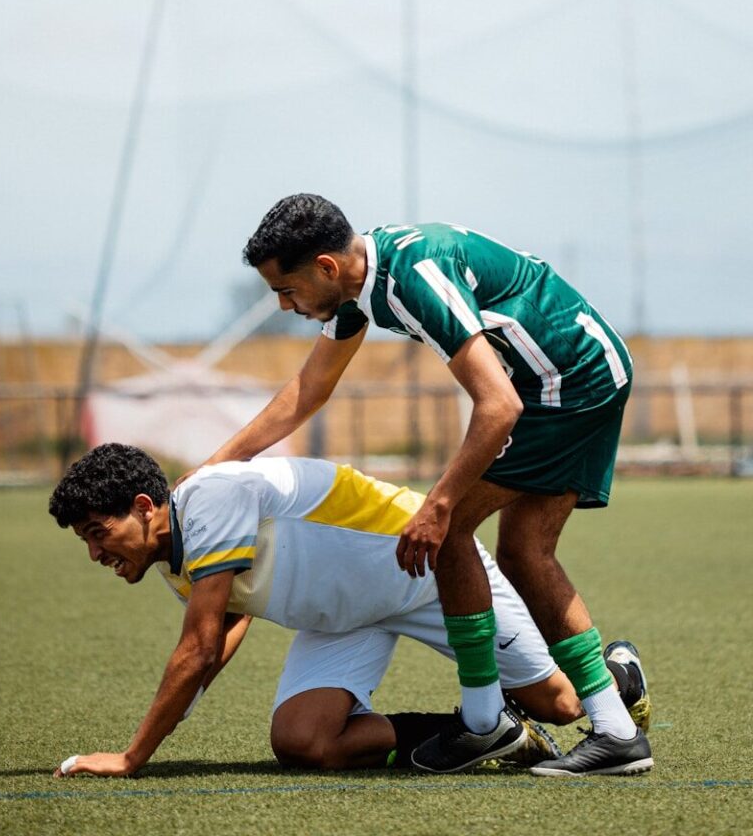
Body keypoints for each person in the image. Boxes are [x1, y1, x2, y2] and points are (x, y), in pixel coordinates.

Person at [195, 194, 652, 776]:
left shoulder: (410, 280)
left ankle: (491, 725)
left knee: (454, 528)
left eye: (287, 290)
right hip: (574, 372)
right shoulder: (363, 285)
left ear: (327, 268)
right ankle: (607, 720)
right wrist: (215, 468)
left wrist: (439, 504)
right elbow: (308, 391)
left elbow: (499, 405)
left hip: (565, 382)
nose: (285, 305)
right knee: (523, 553)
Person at [47, 443, 650, 778]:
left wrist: (133, 757)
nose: (97, 552)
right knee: (302, 742)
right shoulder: (177, 557)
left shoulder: (208, 502)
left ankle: (619, 672)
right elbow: (224, 630)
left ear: (146, 506)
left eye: (100, 532)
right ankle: (496, 732)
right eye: (86, 542)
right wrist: (182, 706)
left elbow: (198, 646)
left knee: (566, 705)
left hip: (425, 572)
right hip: (342, 622)